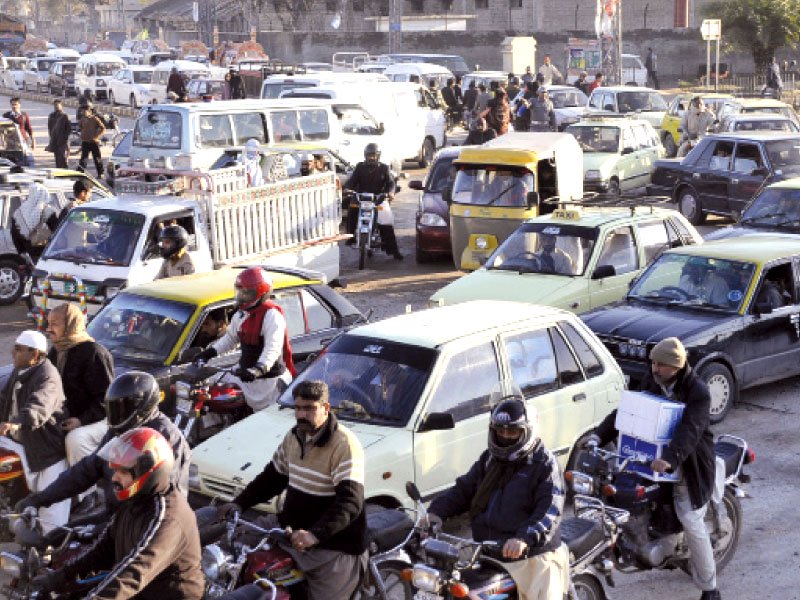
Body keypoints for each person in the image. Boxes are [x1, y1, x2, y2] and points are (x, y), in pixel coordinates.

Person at [589, 337, 723, 600]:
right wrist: (598, 435)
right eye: (653, 363)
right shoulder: (654, 381)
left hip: (690, 462)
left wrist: (671, 459)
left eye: (661, 365)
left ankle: (710, 588)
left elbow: (690, 431)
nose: (655, 368)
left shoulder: (698, 391)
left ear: (676, 366)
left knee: (690, 519)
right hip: (652, 456)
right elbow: (628, 411)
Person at [216, 381, 368, 600]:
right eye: (298, 408)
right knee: (234, 551)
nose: (302, 414)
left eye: (309, 409)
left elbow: (350, 502)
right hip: (290, 532)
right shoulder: (294, 437)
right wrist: (239, 503)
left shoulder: (344, 444)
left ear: (326, 408)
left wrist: (315, 535)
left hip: (333, 546)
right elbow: (272, 478)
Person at [32, 427, 204, 600]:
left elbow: (133, 573)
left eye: (123, 472)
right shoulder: (135, 500)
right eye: (115, 470)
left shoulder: (167, 518)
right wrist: (60, 576)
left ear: (148, 473)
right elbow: (103, 548)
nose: (114, 478)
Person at [427, 398, 569, 600]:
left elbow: (550, 511)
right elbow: (463, 489)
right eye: (500, 431)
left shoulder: (545, 465)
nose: (505, 436)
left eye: (512, 432)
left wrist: (523, 538)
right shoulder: (490, 460)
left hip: (531, 558)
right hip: (488, 550)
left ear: (527, 431)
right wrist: (436, 512)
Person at [15, 370, 193, 518]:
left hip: (150, 522)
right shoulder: (121, 432)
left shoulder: (166, 439)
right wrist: (40, 499)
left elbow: (165, 501)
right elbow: (87, 469)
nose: (117, 415)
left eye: (123, 409)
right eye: (114, 409)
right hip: (117, 516)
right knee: (57, 538)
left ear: (141, 408)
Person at [194, 267, 296, 411]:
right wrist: (209, 353)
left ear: (260, 293)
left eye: (246, 293)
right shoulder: (241, 315)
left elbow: (272, 349)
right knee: (208, 391)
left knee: (265, 421)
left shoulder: (272, 316)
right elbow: (230, 339)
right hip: (243, 375)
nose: (242, 296)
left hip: (268, 382)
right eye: (240, 292)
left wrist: (257, 370)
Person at [0, 331, 70, 532]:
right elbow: (3, 400)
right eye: (15, 347)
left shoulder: (48, 377)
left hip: (43, 447)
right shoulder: (20, 369)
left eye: (19, 349)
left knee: (52, 506)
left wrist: (16, 422)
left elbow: (39, 405)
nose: (13, 352)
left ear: (35, 354)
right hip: (15, 439)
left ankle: (50, 550)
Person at [46, 303, 114, 468]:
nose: (48, 329)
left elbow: (106, 399)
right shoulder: (56, 351)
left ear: (70, 324)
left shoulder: (94, 353)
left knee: (75, 439)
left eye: (54, 324)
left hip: (101, 420)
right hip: (68, 417)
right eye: (48, 324)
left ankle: (86, 492)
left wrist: (81, 421)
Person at [343, 143, 402, 260]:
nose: (371, 158)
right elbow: (352, 181)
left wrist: (390, 193)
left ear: (378, 156)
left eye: (374, 155)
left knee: (386, 220)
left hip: (378, 199)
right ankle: (351, 237)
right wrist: (347, 188)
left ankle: (393, 250)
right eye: (369, 155)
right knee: (352, 210)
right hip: (361, 198)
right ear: (365, 156)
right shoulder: (360, 167)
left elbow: (391, 183)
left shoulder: (384, 168)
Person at [78, 103, 106, 178]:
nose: (83, 112)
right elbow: (81, 128)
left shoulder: (95, 119)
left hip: (94, 142)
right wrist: (83, 136)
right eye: (82, 111)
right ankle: (80, 173)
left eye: (85, 111)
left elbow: (103, 128)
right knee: (84, 158)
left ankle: (101, 173)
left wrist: (97, 137)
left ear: (89, 111)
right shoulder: (82, 119)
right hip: (85, 142)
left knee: (97, 158)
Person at [47, 99, 71, 169]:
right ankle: (59, 171)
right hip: (54, 140)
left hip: (63, 141)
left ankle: (65, 172)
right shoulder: (51, 116)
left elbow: (68, 129)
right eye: (55, 105)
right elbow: (49, 128)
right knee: (57, 158)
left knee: (63, 158)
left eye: (58, 105)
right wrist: (51, 138)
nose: (56, 107)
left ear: (61, 106)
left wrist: (65, 139)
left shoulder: (64, 116)